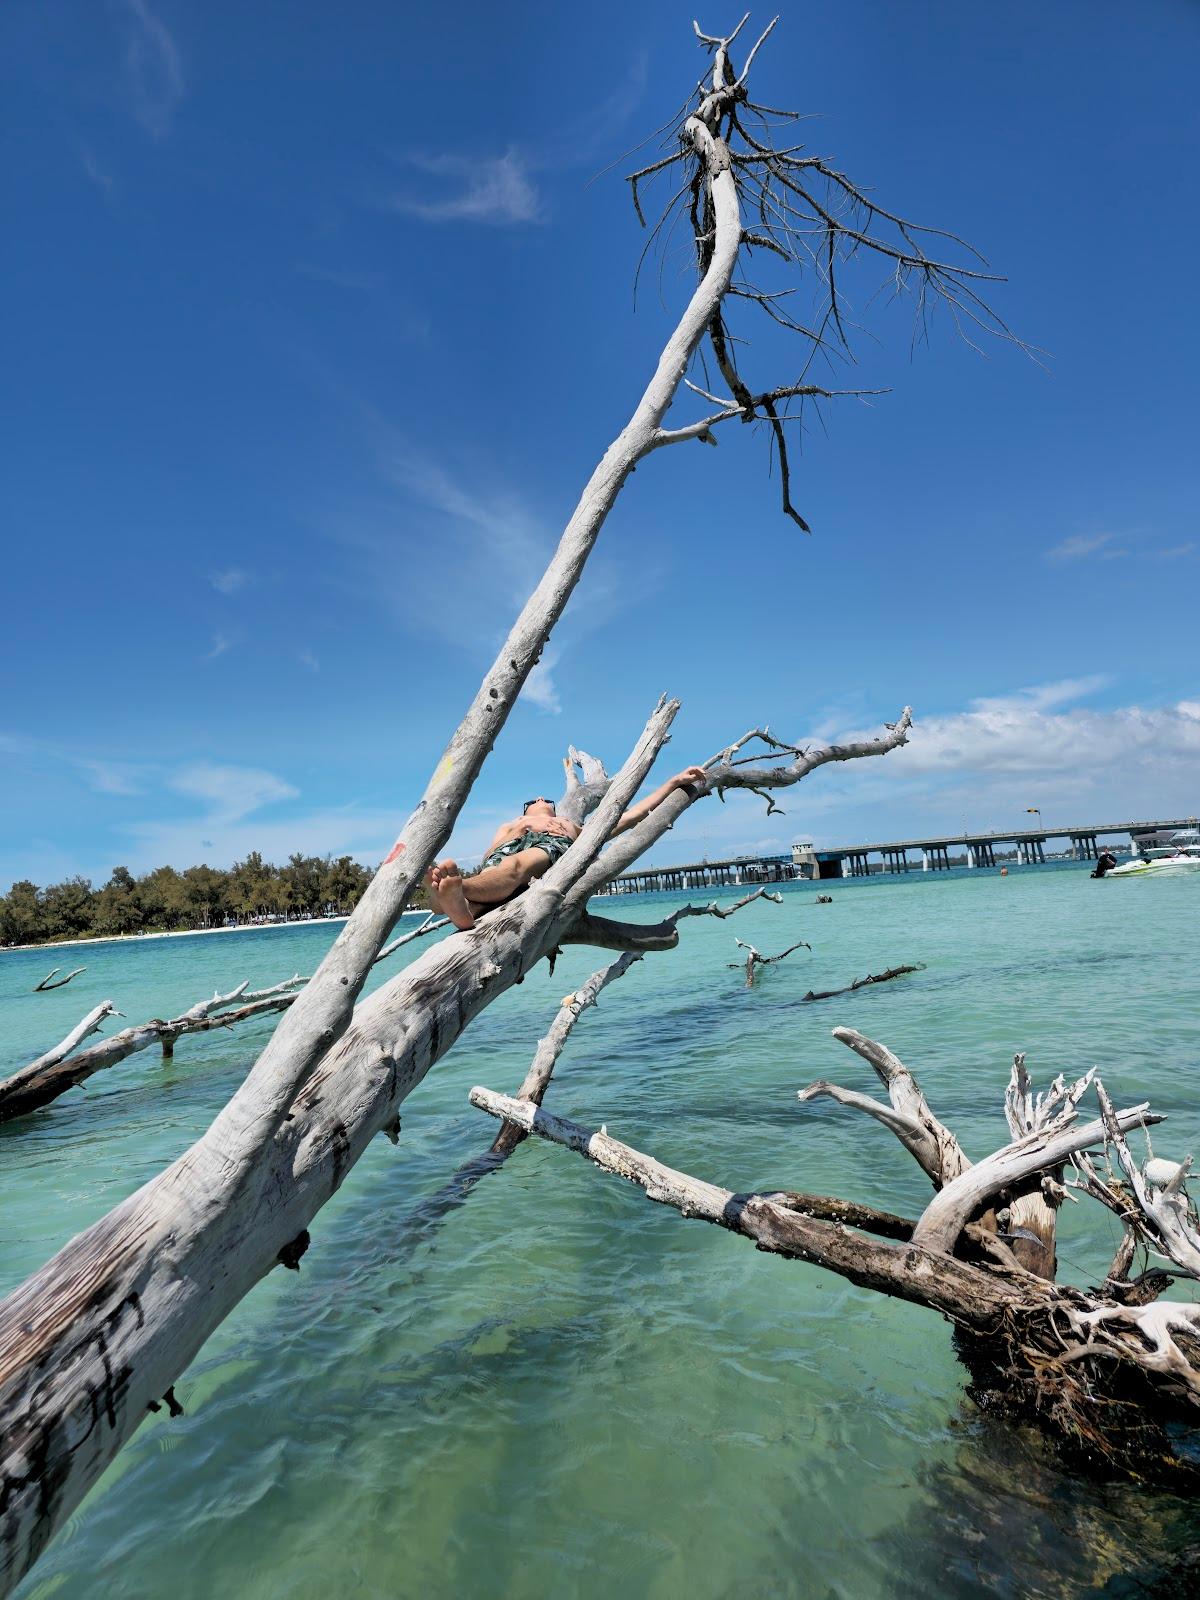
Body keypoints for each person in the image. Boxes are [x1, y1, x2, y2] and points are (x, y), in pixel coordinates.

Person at [425, 766, 708, 930]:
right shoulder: (509, 823)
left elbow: (632, 816)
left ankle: (452, 895)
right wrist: (513, 834)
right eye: (532, 800)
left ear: (554, 808)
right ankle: (461, 907)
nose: (538, 798)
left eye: (545, 798)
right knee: (499, 872)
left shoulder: (570, 826)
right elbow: (491, 853)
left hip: (546, 847)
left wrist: (672, 782)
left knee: (514, 868)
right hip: (505, 852)